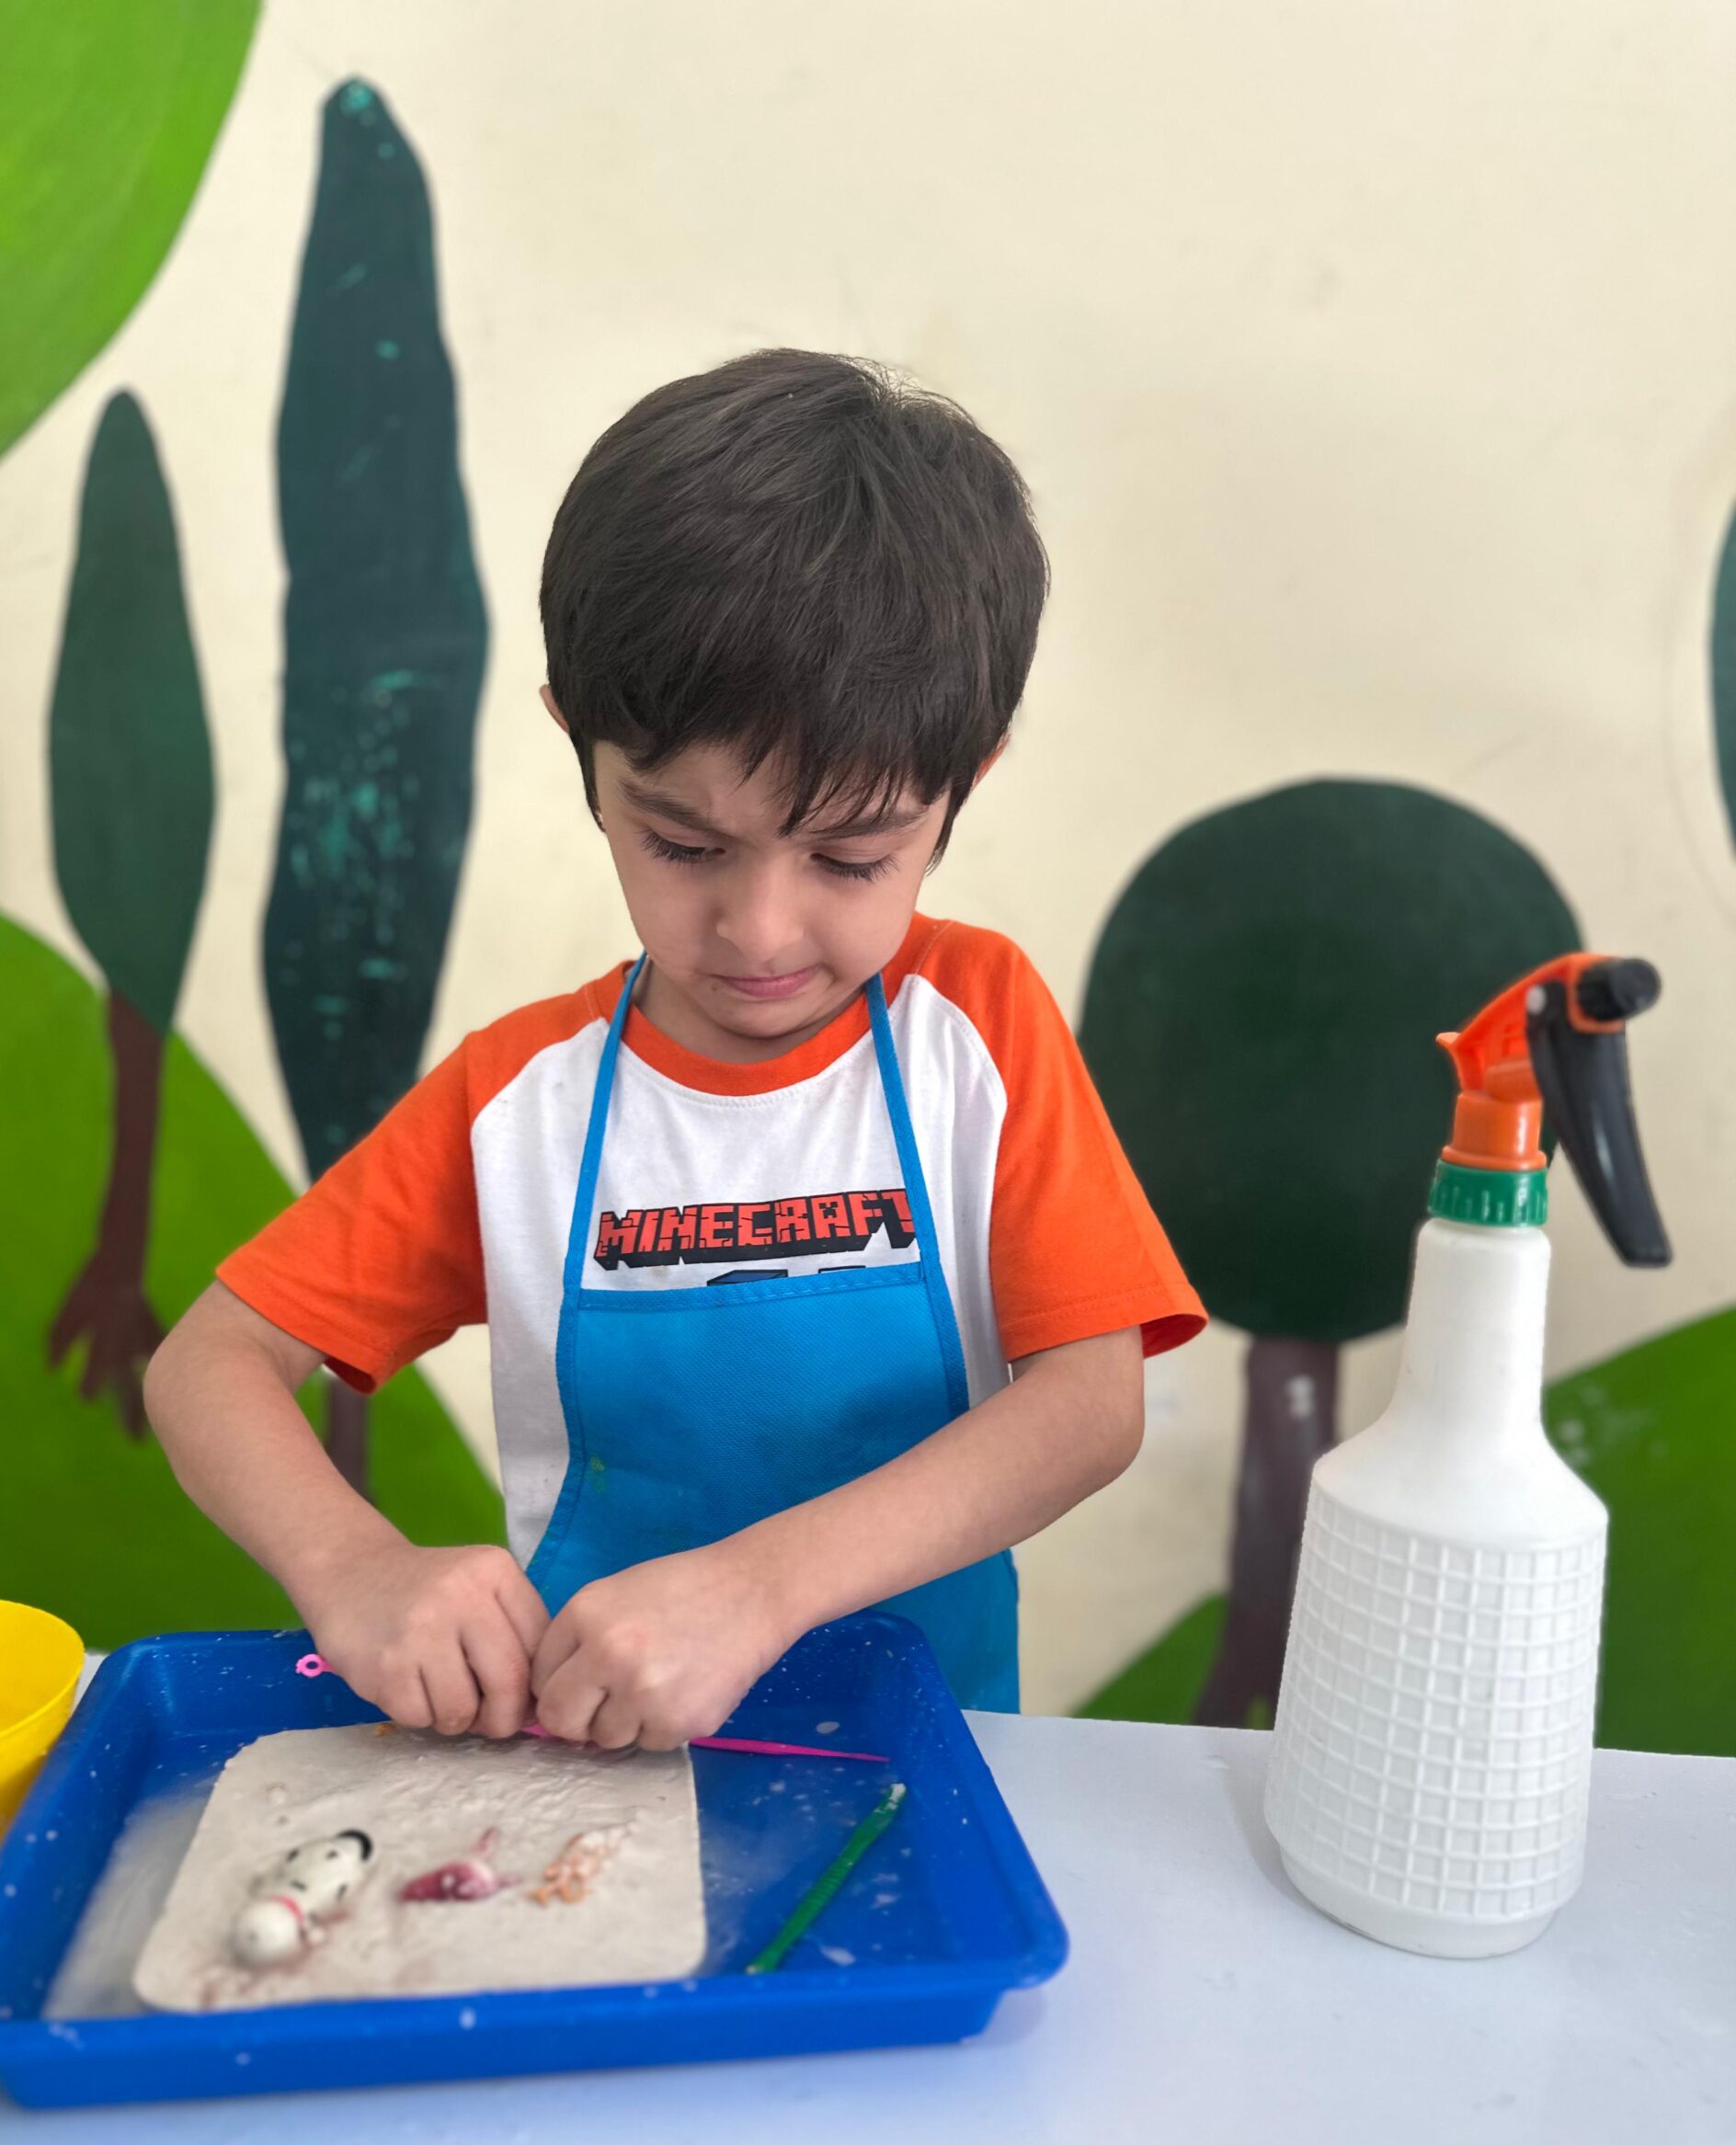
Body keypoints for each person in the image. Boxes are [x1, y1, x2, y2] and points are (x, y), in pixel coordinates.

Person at [145, 348, 1205, 1749]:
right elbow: (207, 1365)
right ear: (582, 751)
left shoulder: (976, 1030)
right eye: (685, 844)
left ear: (966, 785)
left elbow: (1088, 1404)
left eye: (852, 857)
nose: (760, 929)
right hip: (579, 1772)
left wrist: (761, 1588)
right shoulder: (518, 1106)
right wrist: (352, 1568)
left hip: (918, 1765)